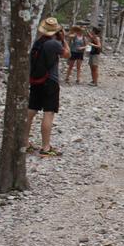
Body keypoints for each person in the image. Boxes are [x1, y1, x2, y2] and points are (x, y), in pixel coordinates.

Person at [26, 17, 71, 156]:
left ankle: (24, 142)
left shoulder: (38, 42)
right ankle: (46, 147)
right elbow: (67, 54)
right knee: (48, 113)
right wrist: (64, 39)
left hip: (35, 81)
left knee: (31, 111)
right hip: (50, 81)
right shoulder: (54, 44)